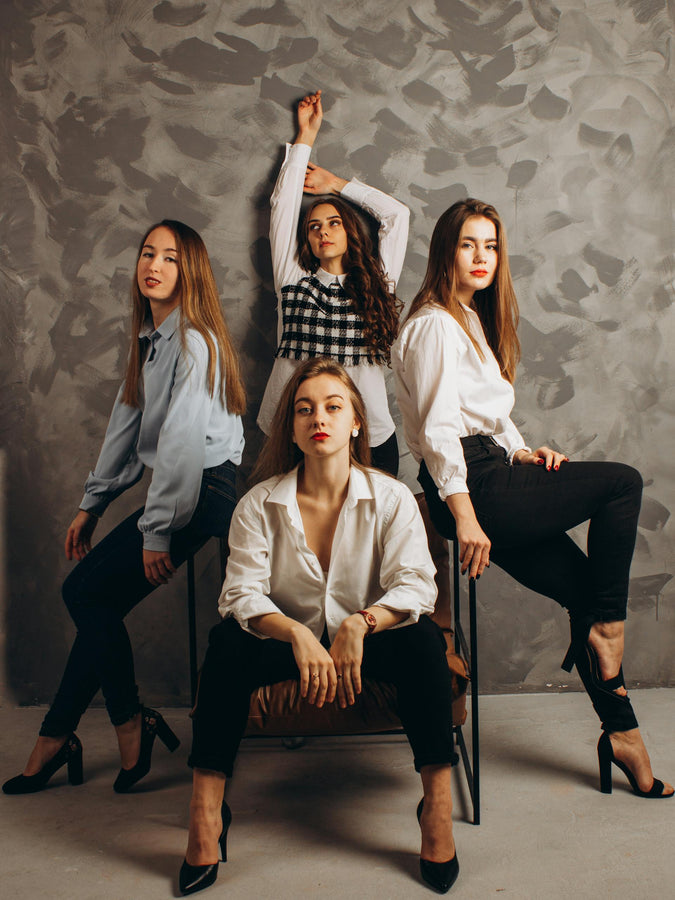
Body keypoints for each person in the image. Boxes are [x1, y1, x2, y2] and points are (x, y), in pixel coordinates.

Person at [391, 198, 673, 801]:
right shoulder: (435, 324)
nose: (482, 257)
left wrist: (519, 451)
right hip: (471, 486)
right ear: (445, 251)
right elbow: (440, 432)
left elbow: (483, 417)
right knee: (622, 483)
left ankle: (622, 735)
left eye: (491, 245)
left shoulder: (467, 318)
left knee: (583, 594)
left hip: (489, 473)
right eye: (468, 244)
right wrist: (466, 516)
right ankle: (612, 628)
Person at [179, 358, 459, 896]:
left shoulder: (392, 498)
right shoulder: (258, 504)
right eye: (304, 410)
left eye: (333, 407)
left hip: (368, 644)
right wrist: (296, 633)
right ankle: (206, 812)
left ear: (357, 423)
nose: (319, 419)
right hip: (288, 644)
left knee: (424, 643)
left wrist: (361, 622)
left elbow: (416, 586)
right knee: (226, 644)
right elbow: (240, 594)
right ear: (291, 429)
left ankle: (437, 809)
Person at [3, 220, 247, 796]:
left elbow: (183, 444)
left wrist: (156, 531)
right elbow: (125, 429)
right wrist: (91, 506)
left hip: (205, 491)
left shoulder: (193, 342)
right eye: (147, 253)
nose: (153, 265)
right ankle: (63, 736)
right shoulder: (152, 342)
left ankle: (119, 723)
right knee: (95, 602)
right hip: (187, 487)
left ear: (190, 272)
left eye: (170, 257)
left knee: (84, 594)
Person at [257, 90, 408, 476]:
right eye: (314, 227)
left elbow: (398, 216)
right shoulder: (292, 281)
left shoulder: (377, 283)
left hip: (367, 432)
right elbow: (283, 207)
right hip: (299, 432)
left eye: (334, 223)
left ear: (350, 231)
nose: (323, 231)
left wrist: (336, 184)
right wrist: (305, 138)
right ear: (306, 239)